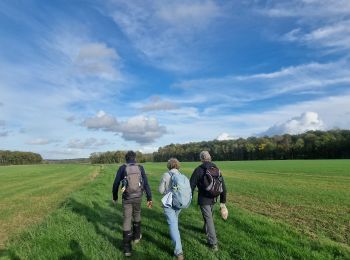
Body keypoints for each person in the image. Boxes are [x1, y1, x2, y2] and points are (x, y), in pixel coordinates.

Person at [112, 150, 153, 257]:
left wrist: (115, 197)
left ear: (126, 158)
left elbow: (116, 183)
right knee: (137, 214)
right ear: (135, 158)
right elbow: (146, 183)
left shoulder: (122, 168)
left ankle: (127, 249)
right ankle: (136, 237)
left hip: (127, 198)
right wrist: (149, 197)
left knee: (127, 219)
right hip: (138, 196)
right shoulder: (140, 167)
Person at [190, 151, 227, 251]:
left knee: (209, 219)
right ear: (210, 158)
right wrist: (222, 202)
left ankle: (213, 243)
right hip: (214, 197)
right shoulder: (216, 169)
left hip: (203, 198)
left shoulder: (198, 170)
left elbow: (191, 186)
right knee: (209, 215)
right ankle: (205, 230)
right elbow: (223, 187)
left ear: (201, 159)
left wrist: (189, 198)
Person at [159, 158, 186, 260]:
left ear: (169, 165)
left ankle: (179, 252)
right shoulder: (181, 175)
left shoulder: (166, 175)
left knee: (172, 224)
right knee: (175, 221)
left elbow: (161, 191)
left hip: (169, 203)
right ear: (177, 165)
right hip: (179, 203)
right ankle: (175, 236)